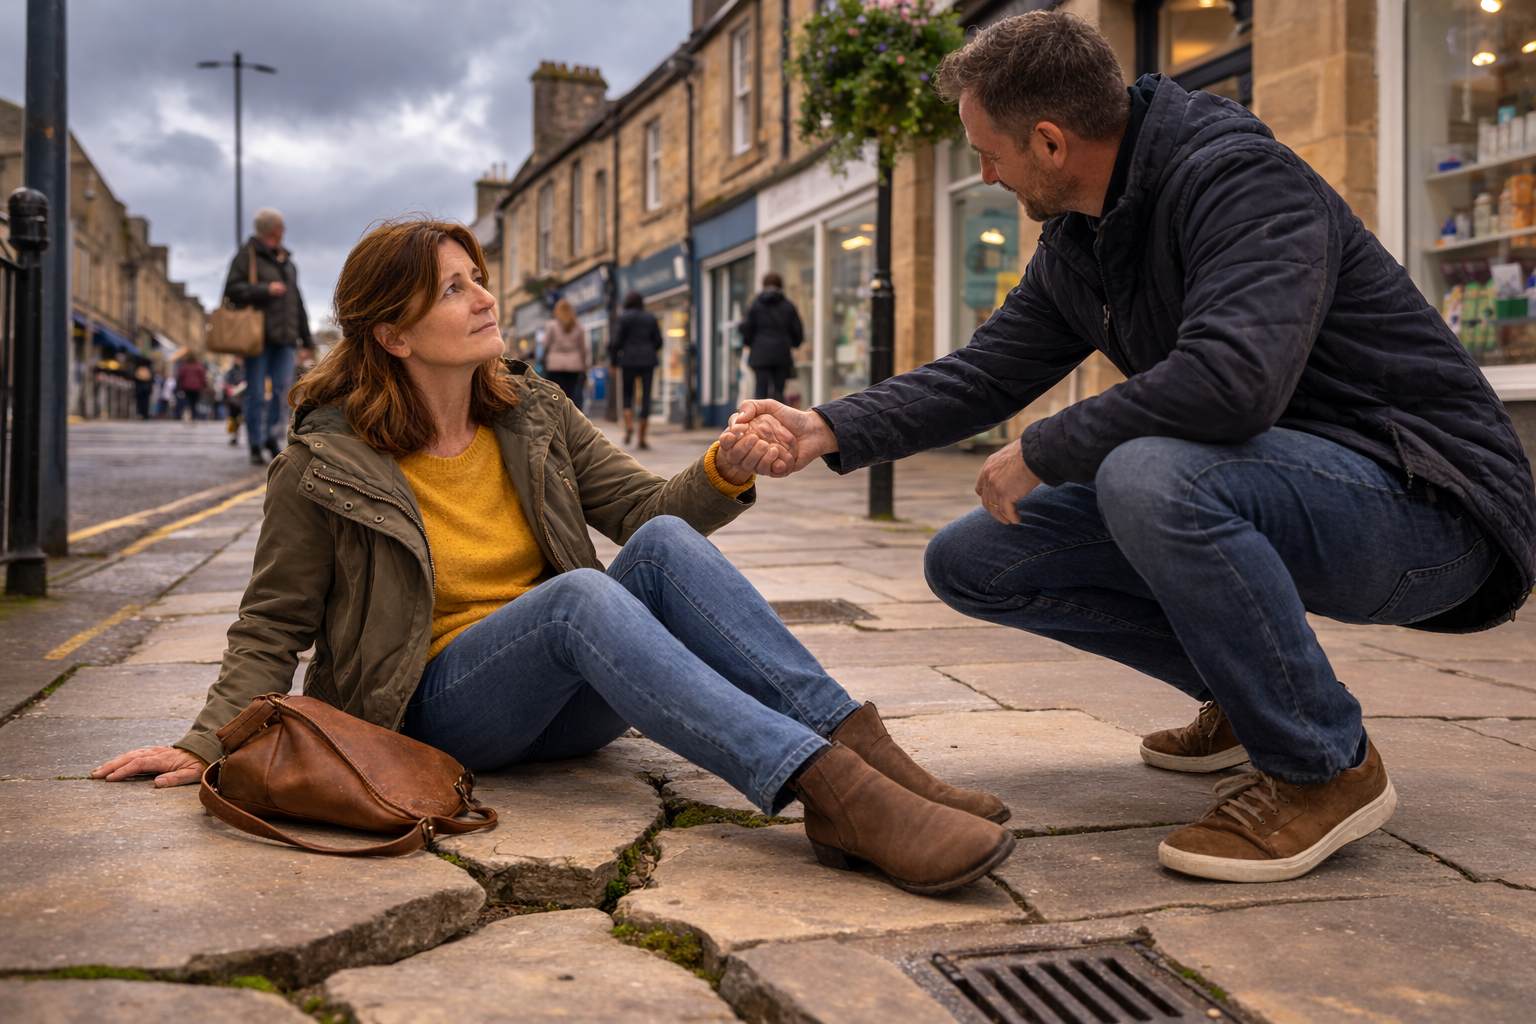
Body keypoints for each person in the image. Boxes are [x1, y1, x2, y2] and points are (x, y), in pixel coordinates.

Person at [731, 11, 1536, 885]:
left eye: (987, 152)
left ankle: (1321, 766)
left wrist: (1047, 445)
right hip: (1287, 484)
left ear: (1048, 140)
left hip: (1430, 510)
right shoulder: (1082, 237)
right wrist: (828, 426)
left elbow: (1234, 379)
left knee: (1152, 475)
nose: (985, 172)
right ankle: (1249, 700)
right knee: (976, 556)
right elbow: (984, 372)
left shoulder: (1238, 178)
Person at [90, 218, 1015, 896]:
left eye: (475, 277)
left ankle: (870, 757)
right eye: (453, 288)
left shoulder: (531, 409)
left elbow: (650, 512)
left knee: (654, 544)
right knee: (578, 595)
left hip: (575, 695)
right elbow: (273, 621)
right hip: (439, 706)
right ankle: (830, 792)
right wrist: (204, 741)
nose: (484, 295)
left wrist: (724, 468)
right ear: (393, 333)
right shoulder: (324, 462)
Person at [225, 207, 312, 466]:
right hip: (257, 337)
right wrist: (265, 289)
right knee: (254, 392)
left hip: (285, 339)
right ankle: (254, 442)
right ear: (275, 229)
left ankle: (272, 437)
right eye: (282, 226)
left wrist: (307, 340)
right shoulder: (247, 255)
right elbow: (232, 290)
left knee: (282, 391)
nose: (284, 231)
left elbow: (297, 302)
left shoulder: (287, 261)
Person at [609, 290, 663, 448]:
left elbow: (615, 342)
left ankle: (629, 426)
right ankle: (642, 438)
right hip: (647, 360)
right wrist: (650, 348)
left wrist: (613, 362)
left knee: (627, 394)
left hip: (628, 360)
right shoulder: (649, 317)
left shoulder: (623, 317)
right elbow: (659, 341)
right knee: (646, 396)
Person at [739, 272, 804, 403]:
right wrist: (794, 344)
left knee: (761, 391)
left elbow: (746, 328)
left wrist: (751, 343)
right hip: (781, 353)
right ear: (781, 285)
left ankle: (760, 420)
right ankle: (777, 421)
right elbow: (797, 329)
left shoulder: (755, 304)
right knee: (778, 392)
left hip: (760, 353)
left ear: (764, 285)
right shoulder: (787, 305)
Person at [542, 298, 590, 411]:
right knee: (571, 396)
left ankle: (558, 421)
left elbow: (545, 345)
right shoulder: (578, 326)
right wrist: (584, 366)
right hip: (574, 365)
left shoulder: (551, 325)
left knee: (556, 396)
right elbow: (584, 348)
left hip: (555, 365)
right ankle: (570, 421)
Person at [174, 356, 207, 421]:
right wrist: (204, 385)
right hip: (196, 387)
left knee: (187, 401)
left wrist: (180, 385)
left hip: (186, 387)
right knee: (194, 402)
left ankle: (187, 414)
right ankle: (194, 416)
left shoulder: (183, 366)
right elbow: (203, 377)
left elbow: (179, 376)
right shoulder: (199, 366)